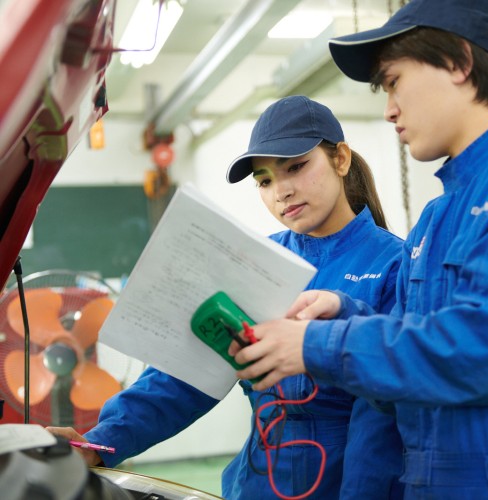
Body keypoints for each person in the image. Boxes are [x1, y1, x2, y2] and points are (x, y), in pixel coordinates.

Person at [48, 96, 405, 499]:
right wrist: (99, 443)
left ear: (341, 159)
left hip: (343, 483)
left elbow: (384, 418)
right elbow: (184, 377)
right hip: (257, 483)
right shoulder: (256, 262)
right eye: (265, 180)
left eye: (296, 167)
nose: (281, 192)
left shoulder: (396, 266)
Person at [229, 1, 488, 499]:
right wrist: (343, 313)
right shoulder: (434, 222)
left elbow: (486, 344)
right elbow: (410, 340)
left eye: (393, 81)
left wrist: (313, 345)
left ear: (461, 63)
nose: (389, 108)